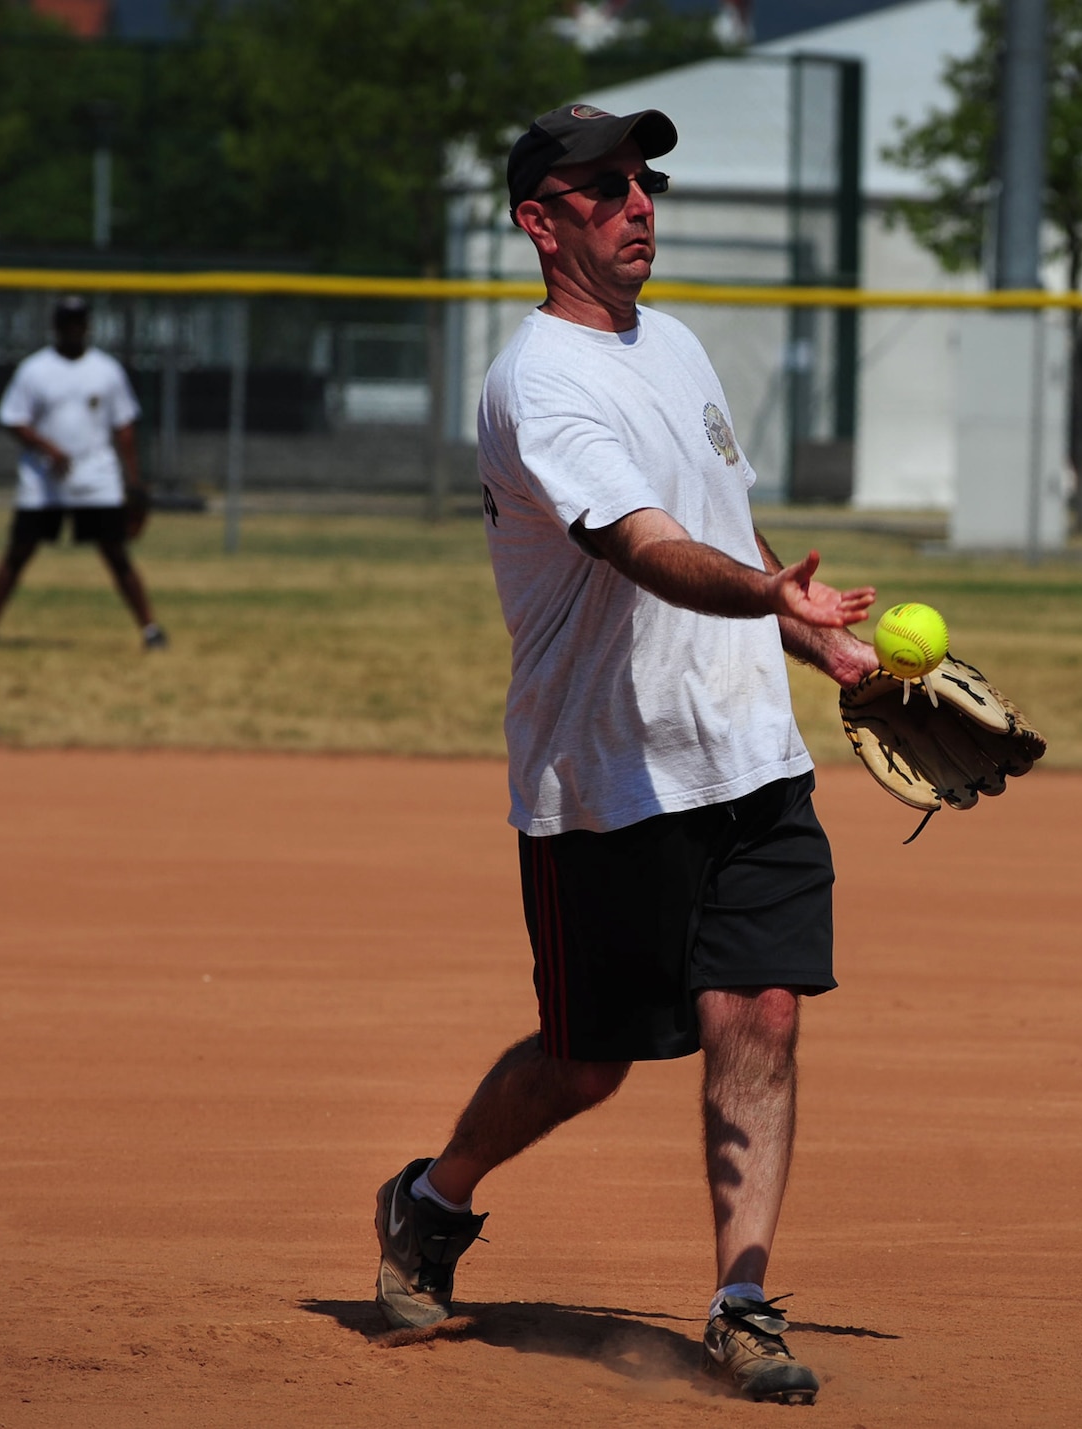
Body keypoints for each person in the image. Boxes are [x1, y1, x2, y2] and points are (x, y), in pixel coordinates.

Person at [373, 103, 880, 1406]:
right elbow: (644, 548)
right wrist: (767, 601)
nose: (639, 202)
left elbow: (719, 528)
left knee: (759, 1012)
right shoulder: (538, 385)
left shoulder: (684, 346)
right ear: (540, 221)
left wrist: (805, 635)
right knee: (585, 1058)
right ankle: (433, 1198)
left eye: (645, 180)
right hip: (604, 781)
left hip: (749, 759)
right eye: (603, 187)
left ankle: (741, 1302)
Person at [0, 295, 166, 651]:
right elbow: (13, 419)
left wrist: (134, 480)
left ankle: (150, 629)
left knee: (116, 554)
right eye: (66, 321)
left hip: (97, 475)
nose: (73, 328)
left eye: (79, 321)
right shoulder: (34, 369)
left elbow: (125, 427)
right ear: (56, 326)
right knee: (18, 552)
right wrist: (48, 448)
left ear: (87, 325)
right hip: (43, 478)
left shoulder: (106, 370)